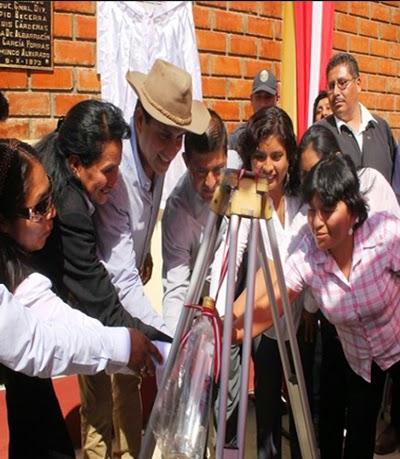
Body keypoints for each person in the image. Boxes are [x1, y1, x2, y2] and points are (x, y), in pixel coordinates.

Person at [0, 139, 163, 459]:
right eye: (41, 206)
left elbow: (47, 309)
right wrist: (121, 345)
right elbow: (34, 344)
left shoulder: (14, 259)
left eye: (51, 198)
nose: (53, 212)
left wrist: (128, 344)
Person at [233, 153, 400, 459]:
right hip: (361, 362)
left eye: (328, 210)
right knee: (358, 439)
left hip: (398, 344)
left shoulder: (385, 234)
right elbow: (272, 299)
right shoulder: (310, 255)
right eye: (312, 211)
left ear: (352, 209)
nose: (317, 222)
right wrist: (227, 331)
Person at [35, 100, 170, 459]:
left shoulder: (72, 165)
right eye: (108, 171)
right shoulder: (68, 206)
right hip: (73, 306)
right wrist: (152, 338)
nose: (115, 180)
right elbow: (96, 289)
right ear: (76, 164)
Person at [212, 106, 314, 458]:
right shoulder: (246, 201)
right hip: (266, 328)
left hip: (305, 325)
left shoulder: (304, 201)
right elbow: (230, 253)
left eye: (276, 156)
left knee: (305, 419)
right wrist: (219, 310)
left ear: (290, 156)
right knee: (268, 417)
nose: (268, 166)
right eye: (259, 156)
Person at [296, 124, 400, 458]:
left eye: (320, 170)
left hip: (394, 339)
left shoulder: (380, 220)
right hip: (355, 351)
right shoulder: (312, 238)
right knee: (354, 428)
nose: (316, 184)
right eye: (307, 175)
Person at [161, 108, 227, 336]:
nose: (210, 182)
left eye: (218, 169)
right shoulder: (177, 211)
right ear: (186, 161)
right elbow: (177, 287)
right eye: (201, 171)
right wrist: (172, 343)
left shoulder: (239, 170)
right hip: (200, 297)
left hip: (237, 291)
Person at [318, 52, 397, 183]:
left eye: (342, 83)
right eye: (331, 86)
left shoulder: (381, 128)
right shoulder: (319, 133)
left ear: (358, 83)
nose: (336, 92)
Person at [228, 68, 278, 151]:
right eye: (258, 97)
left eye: (267, 97)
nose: (263, 104)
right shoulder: (238, 138)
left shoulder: (284, 134)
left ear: (276, 98)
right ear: (251, 99)